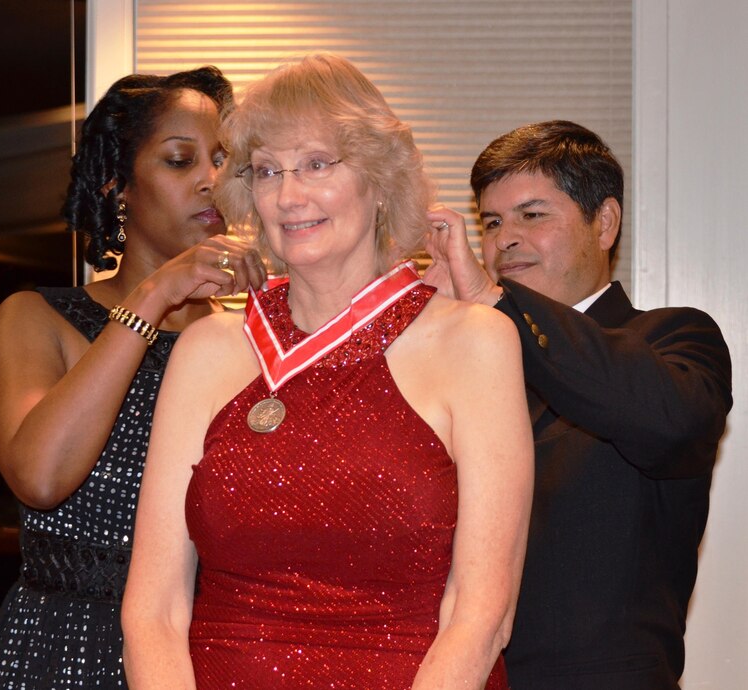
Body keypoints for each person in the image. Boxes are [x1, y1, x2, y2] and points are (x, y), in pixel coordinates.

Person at [121, 53, 534, 690]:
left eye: (317, 163)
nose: (289, 195)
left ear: (379, 178)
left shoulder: (475, 343)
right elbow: (154, 610)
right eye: (266, 171)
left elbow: (481, 614)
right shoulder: (205, 349)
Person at [0, 66, 264, 689]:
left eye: (221, 161)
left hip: (199, 650)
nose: (210, 181)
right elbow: (40, 475)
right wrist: (154, 296)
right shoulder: (37, 316)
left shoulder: (243, 346)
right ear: (118, 184)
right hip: (60, 646)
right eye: (180, 160)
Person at [424, 120, 733, 690]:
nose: (503, 239)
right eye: (491, 222)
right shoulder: (461, 360)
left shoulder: (672, 340)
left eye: (532, 215)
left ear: (605, 222)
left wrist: (496, 303)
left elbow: (671, 422)